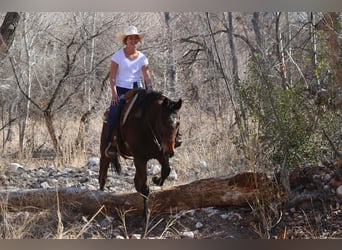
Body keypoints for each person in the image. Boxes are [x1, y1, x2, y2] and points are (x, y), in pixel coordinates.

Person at [105, 25, 153, 158]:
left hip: (137, 89)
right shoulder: (118, 56)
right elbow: (112, 76)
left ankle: (153, 142)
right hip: (121, 89)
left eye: (135, 38)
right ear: (126, 40)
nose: (133, 41)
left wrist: (149, 87)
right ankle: (110, 144)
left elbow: (146, 75)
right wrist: (114, 94)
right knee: (114, 113)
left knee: (153, 110)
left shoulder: (143, 57)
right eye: (130, 38)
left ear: (138, 41)